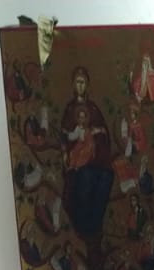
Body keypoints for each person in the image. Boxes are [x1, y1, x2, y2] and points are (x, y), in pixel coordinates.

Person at [60, 66, 113, 239]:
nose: (80, 86)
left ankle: (94, 225)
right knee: (86, 178)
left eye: (83, 82)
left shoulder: (93, 108)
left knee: (106, 177)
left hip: (96, 159)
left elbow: (104, 132)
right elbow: (65, 136)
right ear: (73, 84)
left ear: (87, 84)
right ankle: (84, 226)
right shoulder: (70, 109)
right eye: (77, 82)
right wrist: (65, 153)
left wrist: (98, 133)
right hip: (78, 162)